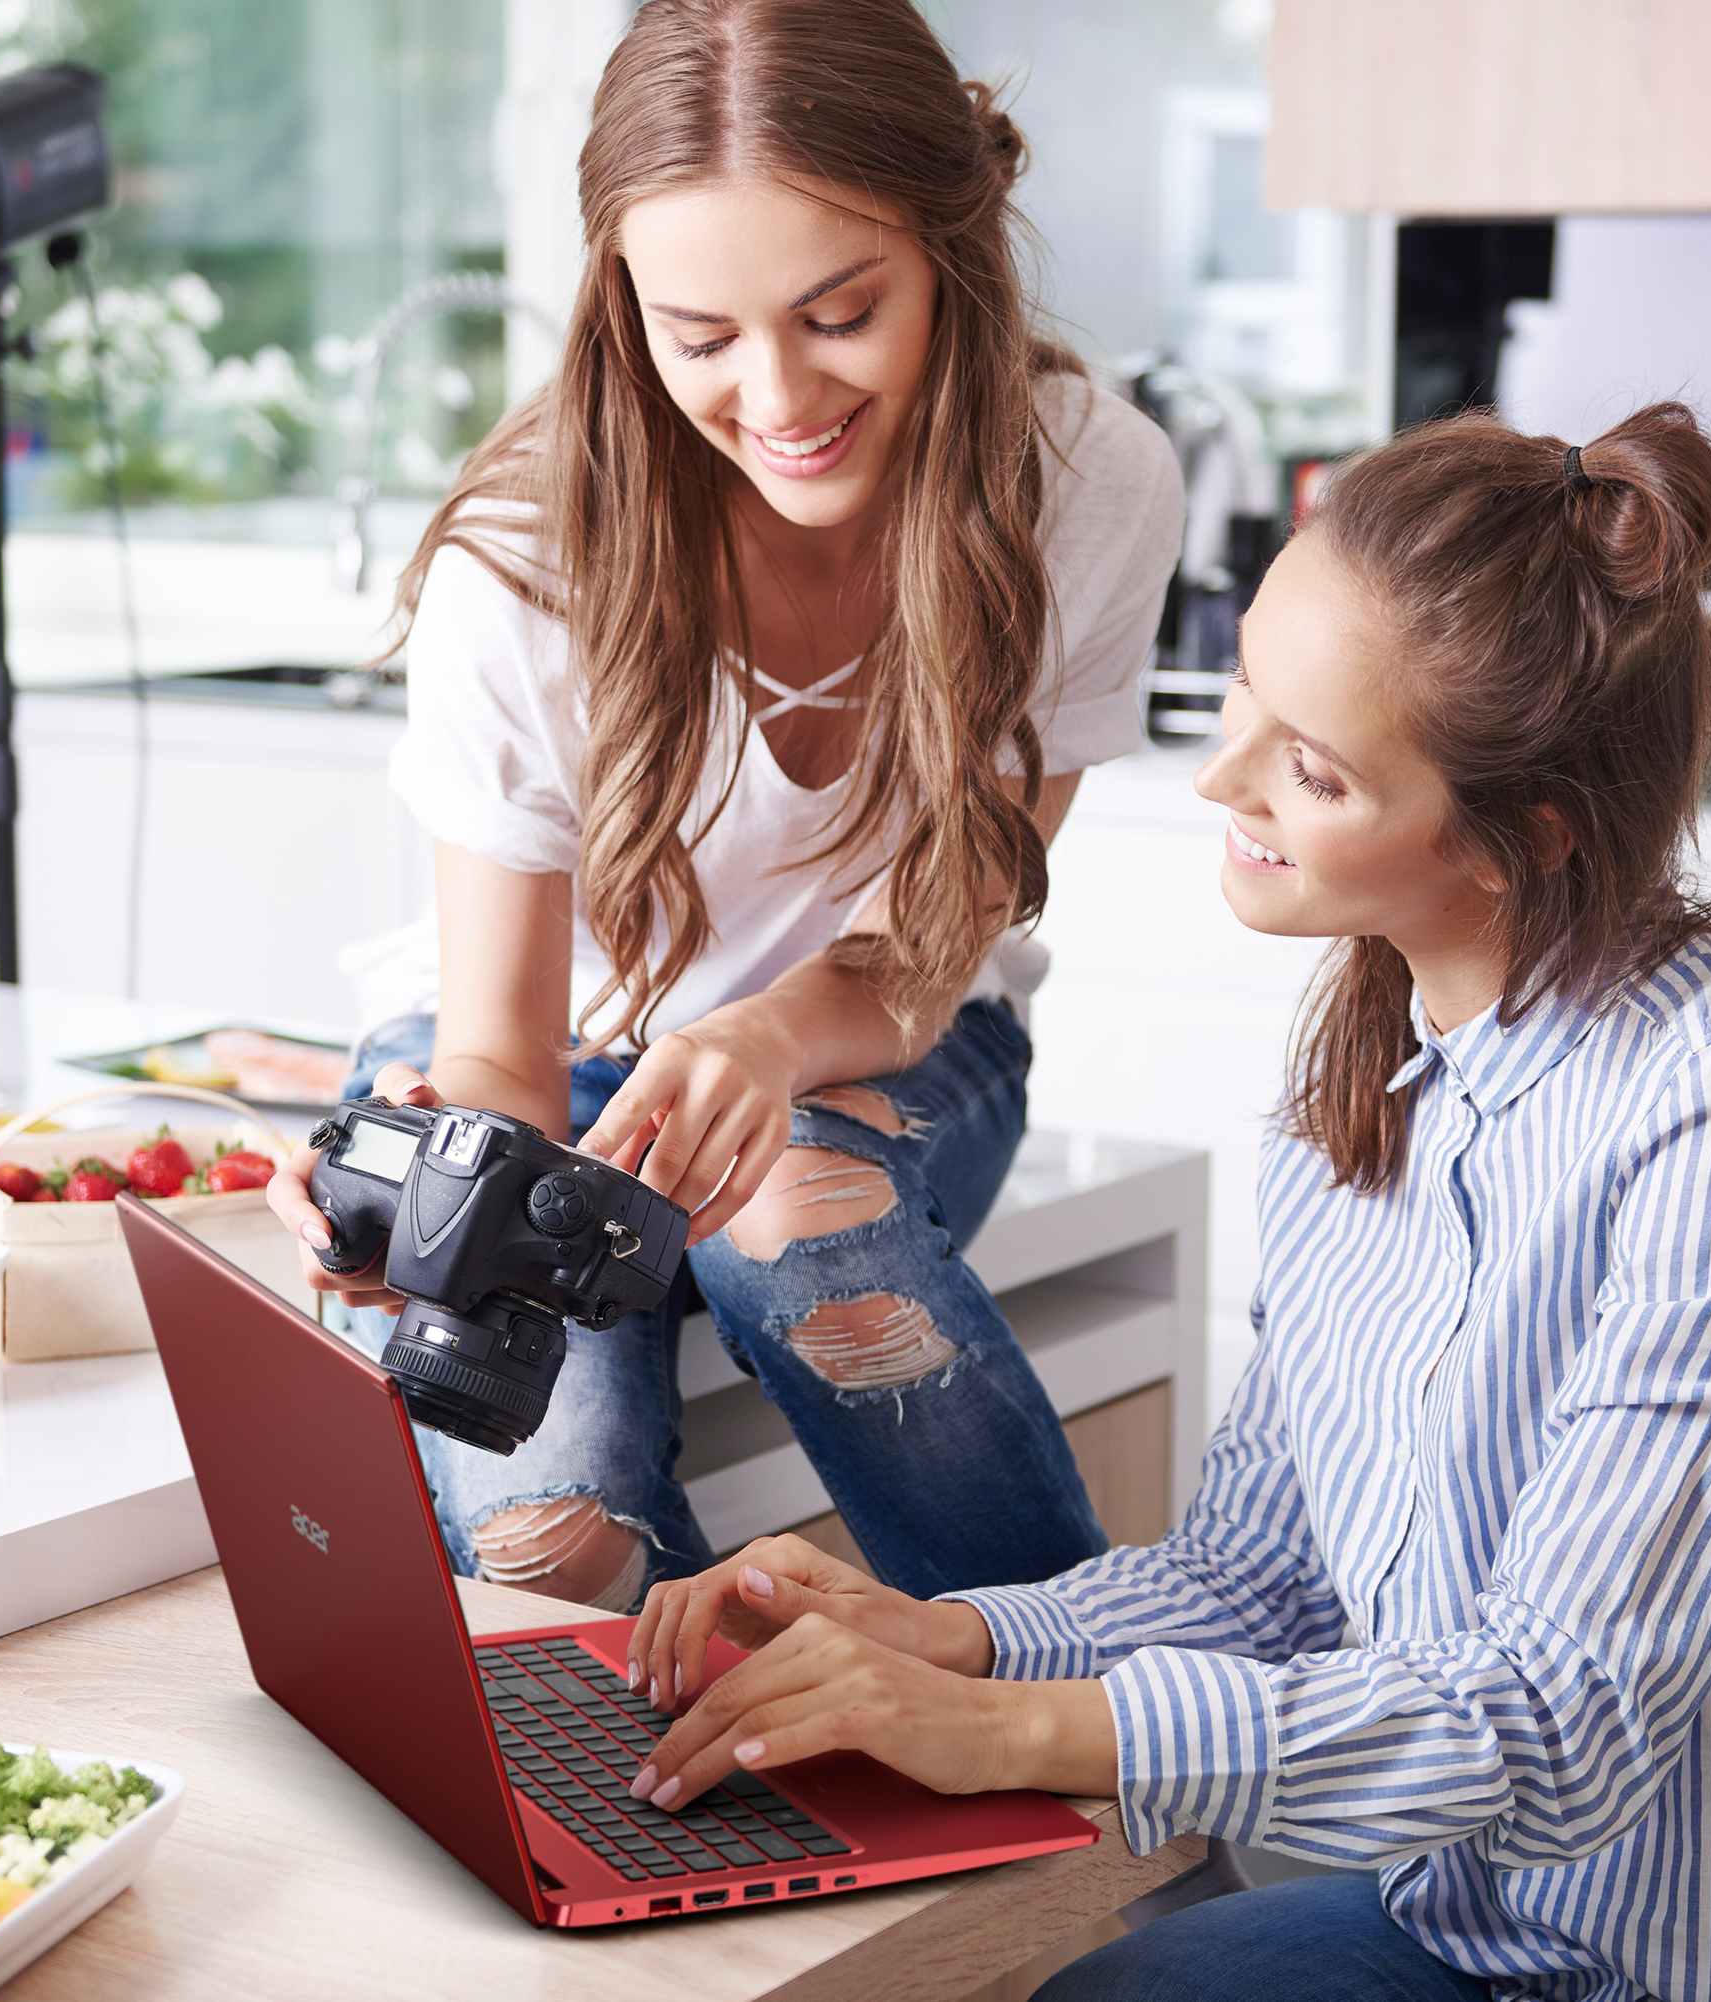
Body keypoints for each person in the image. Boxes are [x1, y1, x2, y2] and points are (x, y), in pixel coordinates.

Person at [615, 405, 1711, 2001]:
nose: (1222, 773)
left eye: (1312, 763)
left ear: (1521, 837)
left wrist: (1008, 1731)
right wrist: (958, 1639)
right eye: (1242, 688)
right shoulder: (1363, 1080)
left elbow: (1557, 1721)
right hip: (1471, 1924)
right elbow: (1259, 1585)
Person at [268, 0, 1184, 1613]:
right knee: (551, 1532)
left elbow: (935, 933)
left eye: (840, 312)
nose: (778, 394)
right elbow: (499, 1046)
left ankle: (1090, 1723)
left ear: (951, 250)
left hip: (892, 1039)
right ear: (625, 307)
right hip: (552, 1059)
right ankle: (676, 1824)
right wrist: (437, 1203)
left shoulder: (1088, 482)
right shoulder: (525, 555)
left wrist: (757, 1045)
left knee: (789, 1219)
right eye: (701, 337)